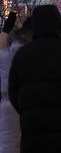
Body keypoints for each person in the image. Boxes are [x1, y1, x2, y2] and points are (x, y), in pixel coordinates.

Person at [9, 5, 61, 153]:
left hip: (33, 137)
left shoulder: (22, 56)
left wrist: (28, 110)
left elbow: (14, 93)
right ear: (58, 25)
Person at [0, 13, 27, 153]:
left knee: (7, 143)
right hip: (25, 103)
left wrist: (4, 30)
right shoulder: (28, 56)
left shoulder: (4, 57)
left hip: (6, 103)